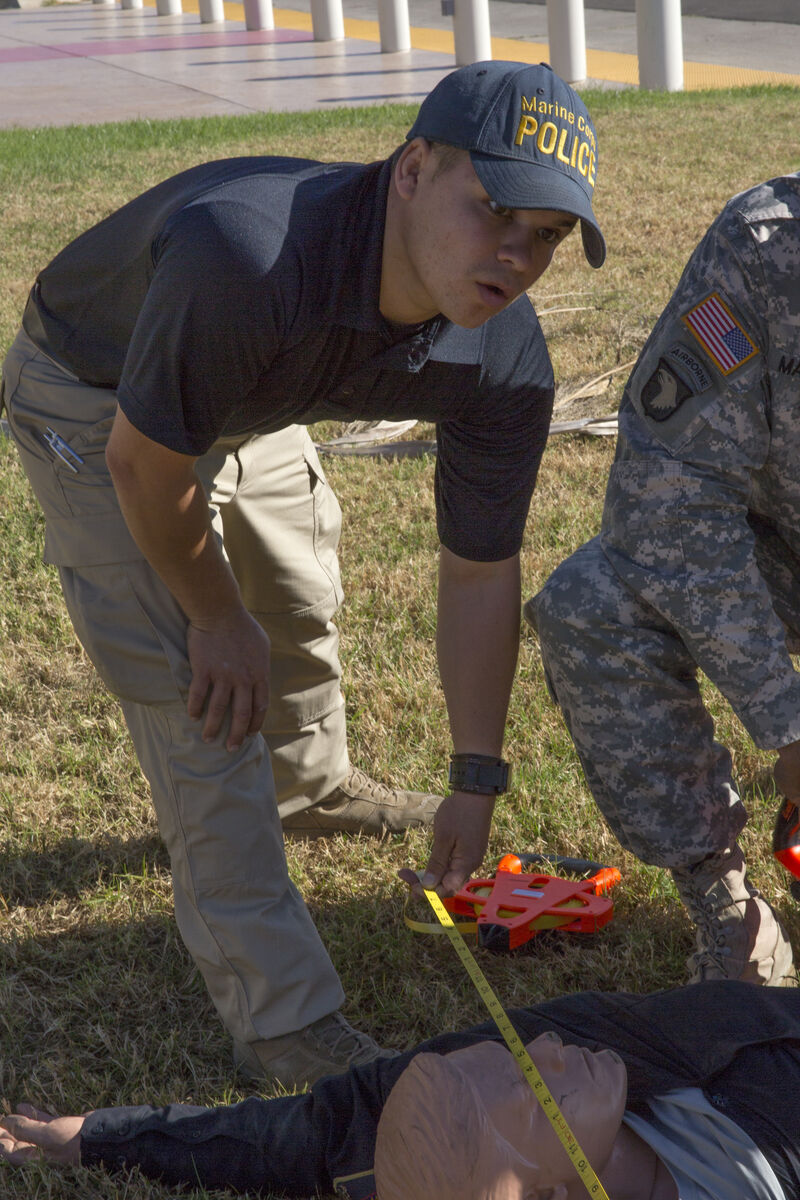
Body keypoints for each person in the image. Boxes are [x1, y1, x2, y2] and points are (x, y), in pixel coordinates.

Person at [0, 60, 606, 1088]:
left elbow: (476, 572)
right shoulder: (247, 254)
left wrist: (475, 771)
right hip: (99, 397)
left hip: (256, 386)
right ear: (411, 169)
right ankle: (283, 1023)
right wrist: (212, 613)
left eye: (545, 235)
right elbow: (145, 466)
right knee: (208, 696)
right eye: (494, 208)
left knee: (298, 596)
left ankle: (312, 786)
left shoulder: (501, 354)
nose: (515, 255)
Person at [528, 172, 800, 989]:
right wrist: (787, 726)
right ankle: (727, 903)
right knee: (594, 604)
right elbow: (667, 491)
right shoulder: (768, 250)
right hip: (782, 550)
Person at [2, 979, 800, 1198]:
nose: (550, 1046)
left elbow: (298, 1140)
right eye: (536, 1087)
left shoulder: (587, 1053)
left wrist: (97, 1138)